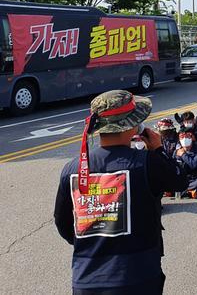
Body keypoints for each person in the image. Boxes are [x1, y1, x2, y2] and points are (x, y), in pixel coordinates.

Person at [53, 90, 187, 294]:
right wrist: (158, 149)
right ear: (134, 126)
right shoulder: (148, 163)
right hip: (138, 277)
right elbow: (179, 181)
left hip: (86, 280)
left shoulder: (72, 169)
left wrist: (94, 240)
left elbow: (63, 223)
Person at [174, 130, 197, 198]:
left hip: (194, 179)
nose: (184, 139)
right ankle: (188, 192)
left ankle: (180, 191)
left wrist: (183, 155)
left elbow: (194, 165)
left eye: (187, 137)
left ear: (191, 138)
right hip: (182, 179)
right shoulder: (176, 151)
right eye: (182, 137)